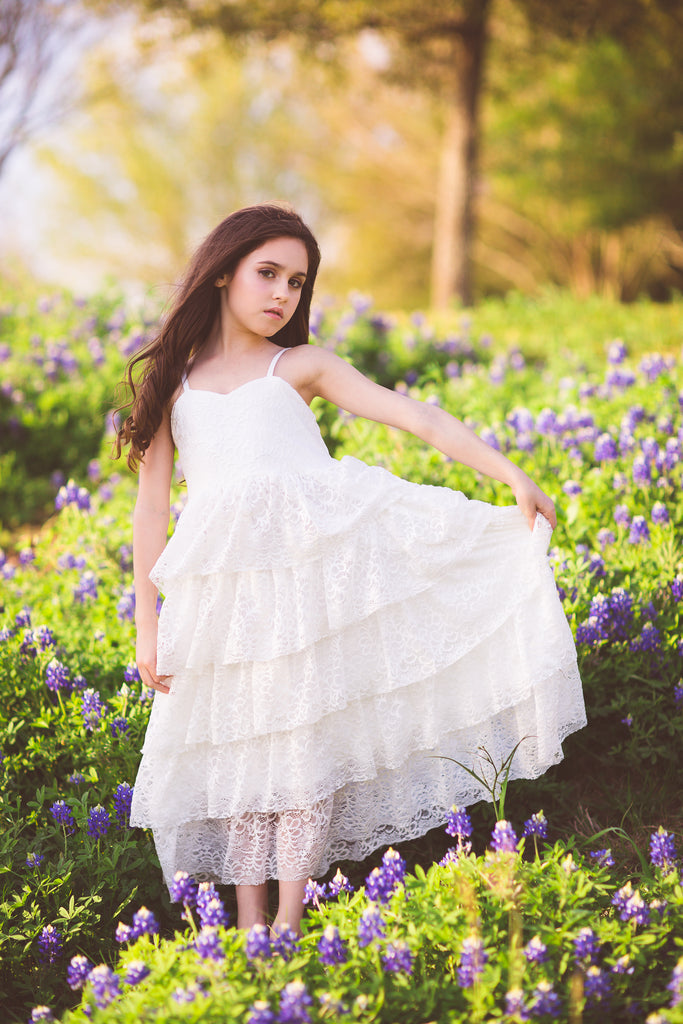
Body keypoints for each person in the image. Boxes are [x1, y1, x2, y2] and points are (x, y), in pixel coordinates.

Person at [116, 202, 586, 934]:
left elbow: (414, 417)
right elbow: (151, 513)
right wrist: (149, 623)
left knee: (302, 743)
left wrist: (509, 473)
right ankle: (246, 922)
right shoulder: (175, 385)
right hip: (228, 594)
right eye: (266, 273)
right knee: (244, 745)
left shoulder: (298, 365)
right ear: (220, 275)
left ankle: (292, 919)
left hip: (314, 573)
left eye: (297, 282)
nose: (281, 294)